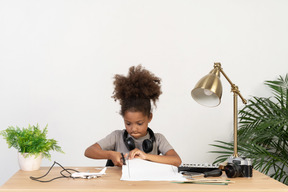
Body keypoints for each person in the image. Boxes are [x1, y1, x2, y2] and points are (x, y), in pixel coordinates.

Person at [84, 65, 182, 167]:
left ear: (149, 117)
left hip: (148, 183)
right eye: (128, 123)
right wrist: (110, 154)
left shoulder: (158, 139)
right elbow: (89, 151)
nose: (133, 128)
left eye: (139, 123)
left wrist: (146, 156)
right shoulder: (116, 137)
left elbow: (177, 161)